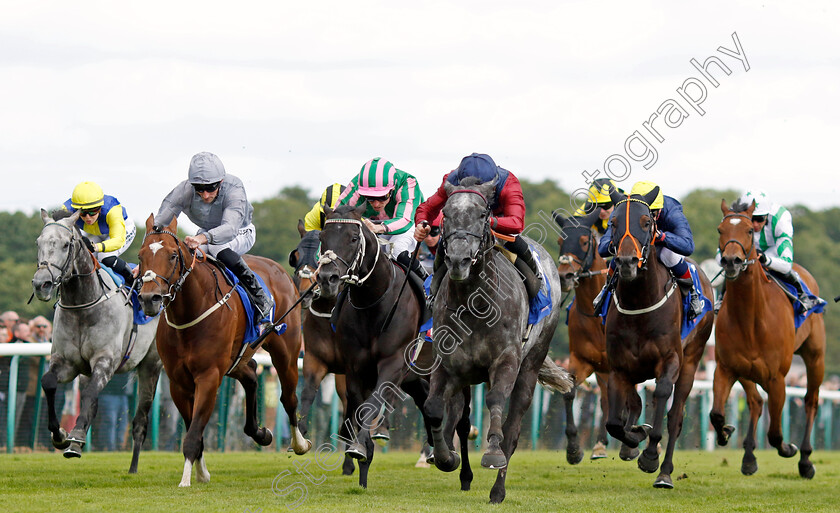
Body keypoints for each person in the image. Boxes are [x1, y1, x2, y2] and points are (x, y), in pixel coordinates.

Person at [152, 152, 273, 326]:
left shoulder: (234, 187)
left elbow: (229, 229)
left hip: (240, 231)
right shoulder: (184, 190)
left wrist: (202, 237)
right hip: (207, 233)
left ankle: (260, 297)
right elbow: (158, 225)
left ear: (221, 182)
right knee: (185, 255)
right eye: (199, 189)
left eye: (211, 188)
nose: (205, 195)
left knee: (216, 247)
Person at [413, 152, 541, 300]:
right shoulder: (451, 181)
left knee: (513, 241)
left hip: (496, 219)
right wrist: (422, 224)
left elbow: (517, 223)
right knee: (446, 242)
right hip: (464, 221)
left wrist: (487, 221)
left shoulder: (509, 183)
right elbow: (426, 208)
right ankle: (433, 294)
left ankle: (537, 287)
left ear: (493, 186)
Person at [593, 181, 705, 320]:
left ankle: (692, 293)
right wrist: (618, 243)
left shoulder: (671, 211)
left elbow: (688, 246)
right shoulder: (624, 210)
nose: (648, 216)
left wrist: (661, 236)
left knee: (669, 256)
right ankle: (606, 290)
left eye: (652, 213)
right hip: (637, 246)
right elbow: (603, 248)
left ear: (658, 210)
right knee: (621, 255)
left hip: (663, 246)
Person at [716, 190, 819, 311]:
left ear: (767, 215)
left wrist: (767, 260)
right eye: (752, 218)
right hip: (747, 250)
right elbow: (719, 258)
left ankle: (802, 295)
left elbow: (786, 265)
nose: (755, 224)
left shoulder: (780, 219)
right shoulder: (733, 218)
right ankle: (721, 298)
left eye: (760, 219)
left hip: (773, 248)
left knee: (779, 269)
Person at [336, 157, 425, 274]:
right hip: (373, 225)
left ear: (392, 189)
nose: (376, 204)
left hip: (406, 225)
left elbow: (405, 219)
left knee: (396, 249)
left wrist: (378, 228)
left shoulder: (408, 182)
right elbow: (336, 218)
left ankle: (424, 282)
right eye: (370, 198)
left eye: (382, 197)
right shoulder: (357, 184)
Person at [63, 181, 136, 287]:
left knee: (105, 256)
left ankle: (135, 281)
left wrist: (96, 247)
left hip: (122, 231)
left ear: (100, 207)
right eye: (82, 212)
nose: (88, 217)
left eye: (93, 211)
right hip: (96, 233)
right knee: (81, 257)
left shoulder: (113, 210)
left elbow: (118, 240)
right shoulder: (67, 209)